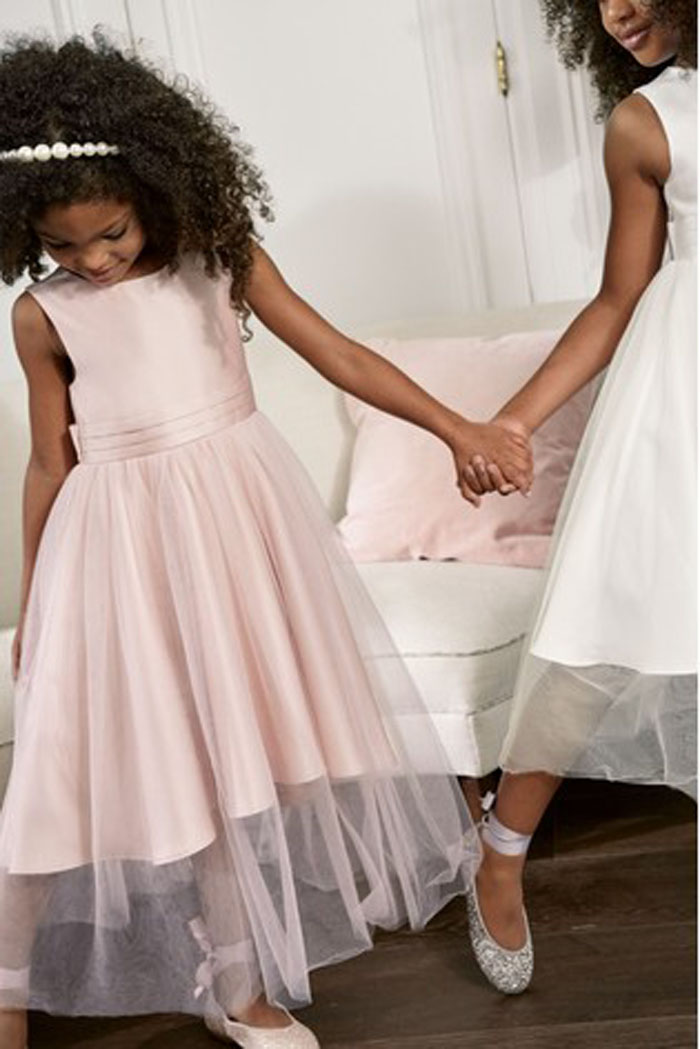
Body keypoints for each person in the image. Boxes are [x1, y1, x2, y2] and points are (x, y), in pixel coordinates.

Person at [0, 32, 536, 1049]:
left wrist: (455, 427)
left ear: (154, 188)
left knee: (236, 764)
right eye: (62, 246)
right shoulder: (43, 316)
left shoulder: (219, 257)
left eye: (111, 233)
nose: (94, 261)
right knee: (60, 778)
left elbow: (337, 353)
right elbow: (46, 463)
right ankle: (7, 990)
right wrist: (38, 602)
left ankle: (237, 982)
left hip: (237, 535)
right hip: (116, 551)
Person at [463, 0, 697, 996]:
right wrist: (513, 420)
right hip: (682, 405)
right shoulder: (649, 122)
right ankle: (501, 849)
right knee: (599, 629)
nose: (617, 12)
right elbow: (617, 297)